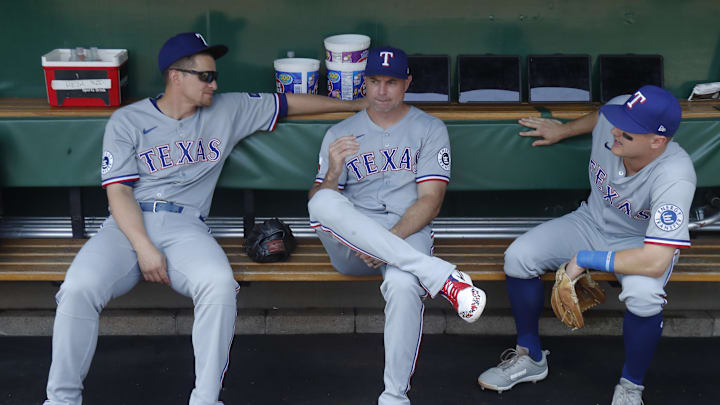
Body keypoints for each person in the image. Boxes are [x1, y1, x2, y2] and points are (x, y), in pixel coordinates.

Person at [43, 32, 366, 405]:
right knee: (78, 289)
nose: (215, 83)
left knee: (218, 284)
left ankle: (206, 399)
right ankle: (61, 400)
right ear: (175, 77)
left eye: (215, 75)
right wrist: (144, 248)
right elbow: (119, 193)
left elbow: (288, 103)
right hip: (127, 228)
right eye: (206, 77)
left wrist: (359, 105)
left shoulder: (227, 109)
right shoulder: (128, 120)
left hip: (186, 227)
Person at [476, 85, 696, 405]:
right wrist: (565, 130)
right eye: (619, 122)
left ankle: (631, 386)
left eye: (628, 133)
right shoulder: (618, 116)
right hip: (589, 221)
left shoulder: (675, 175)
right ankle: (530, 358)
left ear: (657, 141)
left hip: (639, 240)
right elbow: (602, 115)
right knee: (518, 257)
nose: (616, 131)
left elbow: (655, 261)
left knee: (644, 295)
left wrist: (587, 258)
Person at [307, 46, 487, 405]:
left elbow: (430, 201)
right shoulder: (340, 133)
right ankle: (443, 277)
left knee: (404, 283)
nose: (382, 91)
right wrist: (332, 172)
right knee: (322, 200)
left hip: (405, 234)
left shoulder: (429, 129)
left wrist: (385, 243)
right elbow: (322, 204)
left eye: (391, 82)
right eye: (374, 81)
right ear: (364, 83)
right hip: (352, 242)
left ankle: (394, 397)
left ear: (407, 83)